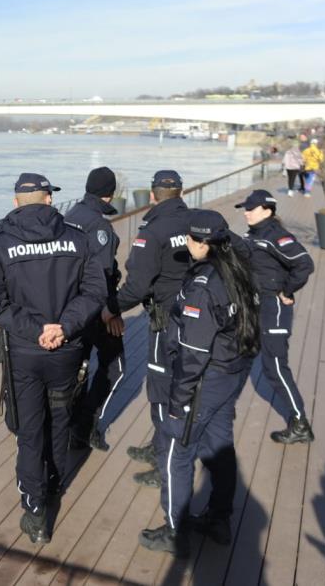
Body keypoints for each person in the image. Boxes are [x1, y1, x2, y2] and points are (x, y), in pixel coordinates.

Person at [0, 172, 106, 544]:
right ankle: (53, 484)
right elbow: (95, 291)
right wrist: (63, 327)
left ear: (16, 202)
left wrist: (36, 330)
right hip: (66, 350)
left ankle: (35, 511)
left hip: (24, 353)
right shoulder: (77, 238)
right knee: (60, 420)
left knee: (30, 430)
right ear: (48, 199)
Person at [138, 210, 260, 556]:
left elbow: (193, 354)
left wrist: (177, 404)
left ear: (204, 244)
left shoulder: (204, 287)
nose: (187, 243)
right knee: (219, 446)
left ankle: (175, 532)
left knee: (176, 453)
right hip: (232, 371)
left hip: (205, 378)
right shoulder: (239, 269)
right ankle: (219, 518)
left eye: (191, 239)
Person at [114, 170, 191, 489]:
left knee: (161, 390)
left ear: (152, 194)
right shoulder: (195, 221)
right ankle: (160, 444)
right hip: (194, 317)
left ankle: (165, 462)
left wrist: (109, 309)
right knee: (182, 385)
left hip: (164, 320)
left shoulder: (153, 231)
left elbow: (137, 286)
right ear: (181, 192)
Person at [237, 190, 316, 443]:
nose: (246, 213)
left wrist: (287, 290)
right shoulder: (252, 235)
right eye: (245, 209)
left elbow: (304, 264)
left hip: (275, 309)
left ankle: (300, 423)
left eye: (251, 209)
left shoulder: (276, 236)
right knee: (241, 355)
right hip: (255, 307)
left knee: (275, 368)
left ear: (267, 210)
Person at [65, 167, 126, 451]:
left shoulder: (70, 215)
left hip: (70, 307)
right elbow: (102, 274)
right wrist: (112, 311)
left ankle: (69, 423)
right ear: (110, 194)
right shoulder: (100, 227)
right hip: (95, 309)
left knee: (79, 365)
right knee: (116, 366)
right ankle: (85, 424)